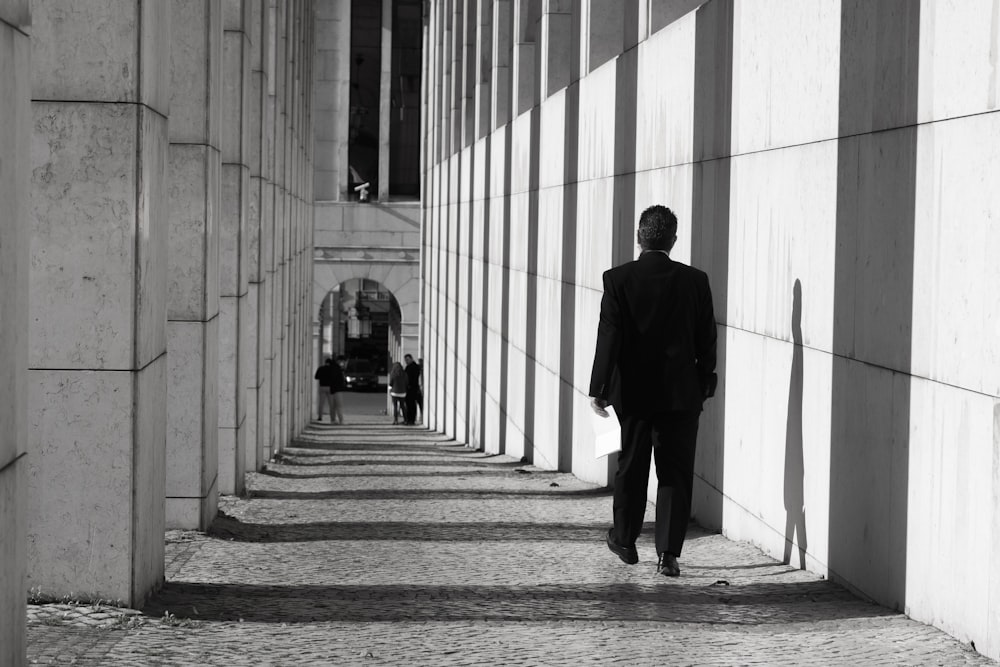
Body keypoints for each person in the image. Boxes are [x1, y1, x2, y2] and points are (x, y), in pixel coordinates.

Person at [589, 205, 717, 577]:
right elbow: (707, 337)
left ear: (638, 237)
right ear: (673, 240)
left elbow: (609, 337)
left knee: (631, 466)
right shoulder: (696, 281)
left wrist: (598, 387)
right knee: (675, 472)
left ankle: (626, 541)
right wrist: (706, 381)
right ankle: (668, 555)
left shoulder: (618, 279)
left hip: (633, 395)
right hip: (681, 395)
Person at [327, 355, 347, 424]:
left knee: (333, 406)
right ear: (340, 361)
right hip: (337, 389)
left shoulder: (333, 367)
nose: (343, 363)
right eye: (343, 362)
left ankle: (333, 420)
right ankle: (341, 420)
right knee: (339, 405)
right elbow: (338, 379)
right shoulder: (337, 368)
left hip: (332, 389)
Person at [403, 354, 422, 425]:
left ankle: (412, 419)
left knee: (412, 405)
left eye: (407, 360)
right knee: (408, 404)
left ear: (411, 359)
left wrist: (410, 385)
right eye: (405, 360)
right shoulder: (408, 367)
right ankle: (408, 419)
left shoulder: (415, 367)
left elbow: (414, 378)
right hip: (408, 388)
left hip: (413, 388)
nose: (406, 361)